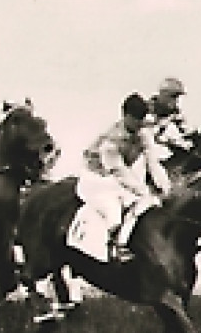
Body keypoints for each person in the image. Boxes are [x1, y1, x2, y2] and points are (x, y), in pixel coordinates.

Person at [77, 93, 172, 261]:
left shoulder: (142, 133)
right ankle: (115, 247)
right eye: (136, 119)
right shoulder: (110, 141)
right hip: (95, 178)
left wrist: (165, 185)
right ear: (125, 116)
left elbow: (153, 161)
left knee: (147, 201)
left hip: (114, 177)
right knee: (115, 211)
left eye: (142, 119)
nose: (140, 123)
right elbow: (119, 172)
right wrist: (142, 190)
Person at [146, 76, 193, 156]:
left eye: (177, 97)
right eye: (173, 97)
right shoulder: (148, 111)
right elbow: (151, 136)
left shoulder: (177, 115)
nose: (176, 101)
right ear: (164, 95)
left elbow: (186, 133)